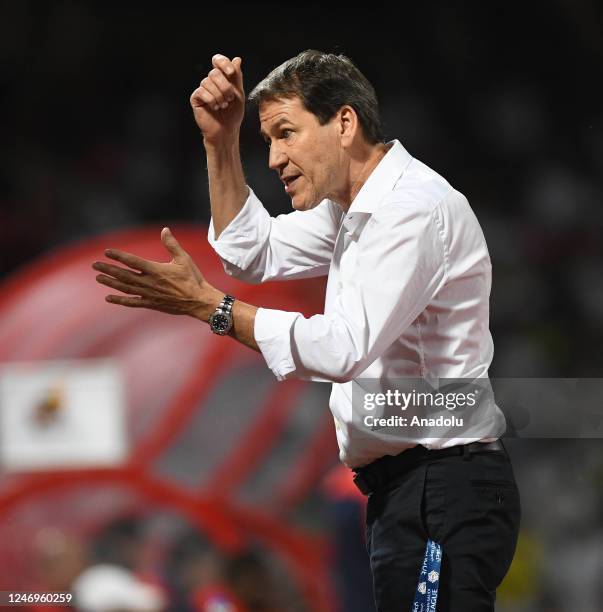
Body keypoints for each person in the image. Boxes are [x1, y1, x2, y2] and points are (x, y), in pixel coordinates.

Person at [93, 50, 521, 611]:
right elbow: (250, 252)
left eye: (286, 133)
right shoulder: (352, 205)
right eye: (267, 139)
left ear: (344, 123)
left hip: (442, 487)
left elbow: (342, 348)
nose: (272, 157)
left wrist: (212, 309)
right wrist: (220, 143)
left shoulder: (410, 209)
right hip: (410, 492)